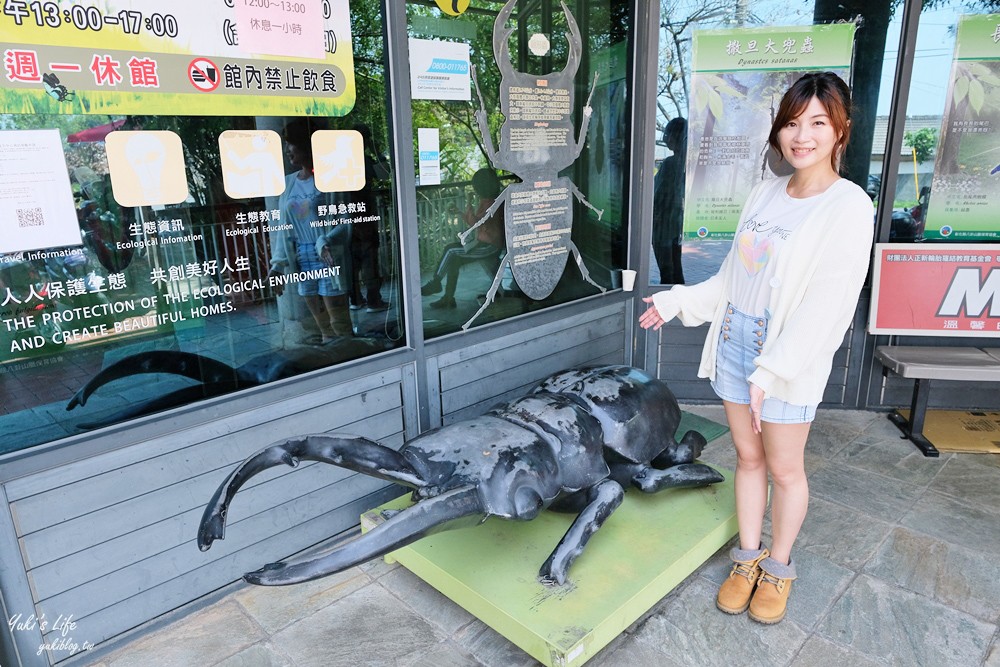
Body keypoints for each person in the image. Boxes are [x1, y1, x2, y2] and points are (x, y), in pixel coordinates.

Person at [639, 72, 874, 624]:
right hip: (735, 342)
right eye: (792, 123)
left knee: (785, 468)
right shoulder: (766, 192)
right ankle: (748, 557)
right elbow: (732, 278)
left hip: (784, 358)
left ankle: (779, 566)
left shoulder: (848, 206)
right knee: (747, 458)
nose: (802, 136)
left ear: (840, 129)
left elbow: (827, 305)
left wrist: (773, 370)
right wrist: (679, 301)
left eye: (817, 122)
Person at [269, 119, 352, 344]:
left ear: (307, 146)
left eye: (291, 144)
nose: (287, 150)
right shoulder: (288, 184)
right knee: (322, 327)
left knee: (339, 323)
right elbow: (283, 228)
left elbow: (347, 220)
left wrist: (325, 239)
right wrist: (277, 265)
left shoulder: (330, 179)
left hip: (327, 254)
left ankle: (353, 362)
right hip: (302, 256)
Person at [421, 168, 504, 309]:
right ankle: (448, 298)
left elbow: (476, 223)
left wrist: (469, 202)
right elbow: (476, 222)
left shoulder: (491, 203)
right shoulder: (487, 201)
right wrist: (460, 212)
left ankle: (436, 283)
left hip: (489, 247)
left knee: (450, 250)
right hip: (483, 244)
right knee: (454, 260)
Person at [652, 117, 687, 284]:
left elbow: (657, 196)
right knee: (676, 271)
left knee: (667, 273)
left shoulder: (671, 163)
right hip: (677, 226)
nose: (666, 139)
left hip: (664, 227)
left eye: (668, 135)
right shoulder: (687, 163)